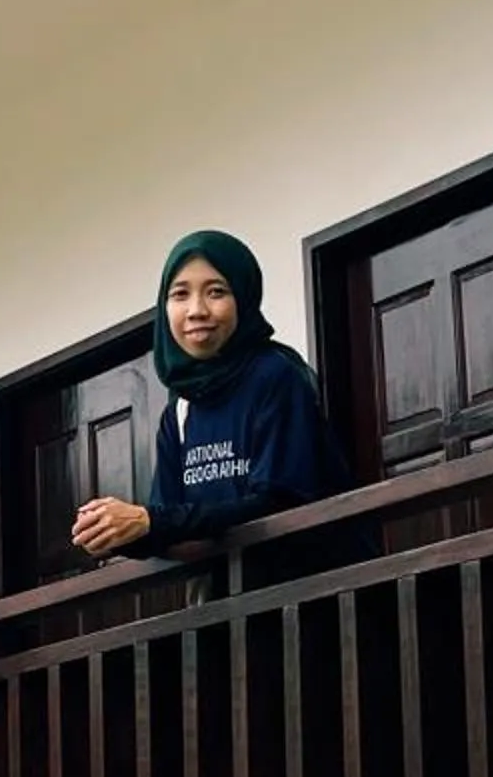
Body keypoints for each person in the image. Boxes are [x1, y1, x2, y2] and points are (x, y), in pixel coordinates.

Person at [71, 230, 350, 561]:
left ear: (244, 299)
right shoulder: (180, 409)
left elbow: (280, 501)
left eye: (216, 292)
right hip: (226, 603)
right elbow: (169, 519)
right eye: (180, 295)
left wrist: (150, 521)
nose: (196, 310)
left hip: (306, 592)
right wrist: (115, 533)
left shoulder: (275, 376)